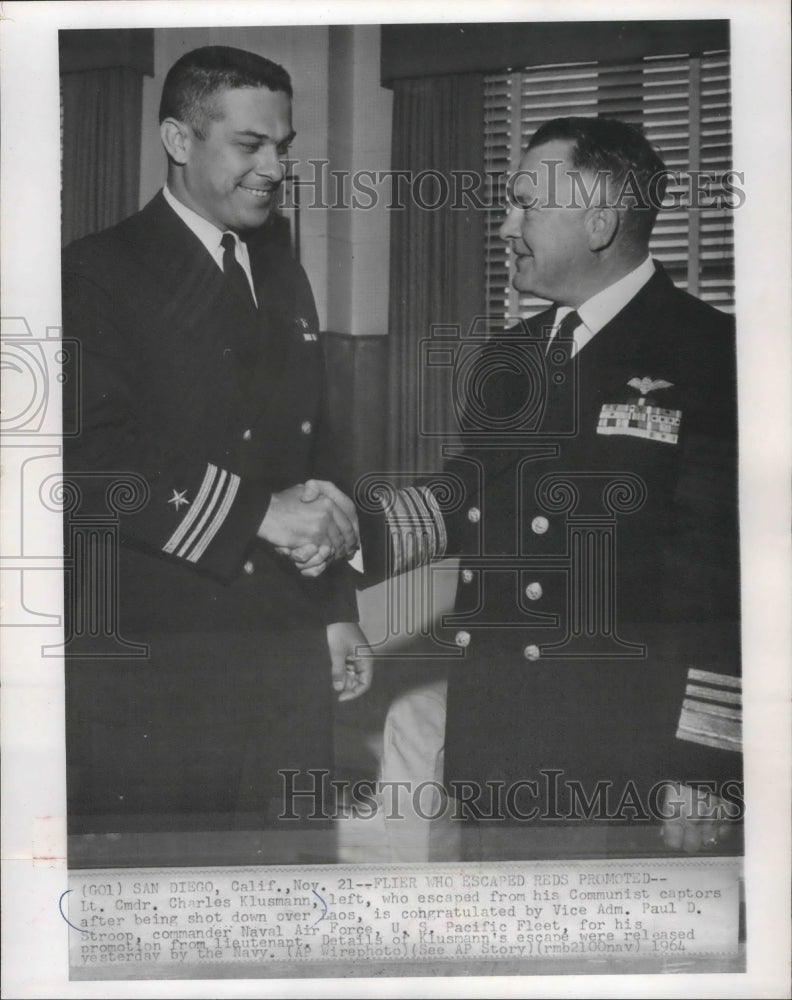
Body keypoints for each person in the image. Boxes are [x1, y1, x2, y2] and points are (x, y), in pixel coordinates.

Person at [312, 116, 742, 854]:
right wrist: (349, 524)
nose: (506, 224)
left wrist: (706, 759)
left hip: (629, 760)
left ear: (600, 221)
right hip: (501, 742)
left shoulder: (714, 356)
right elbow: (473, 499)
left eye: (525, 206)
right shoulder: (512, 353)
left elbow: (727, 574)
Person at [62, 45, 372, 835]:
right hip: (160, 658)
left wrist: (335, 608)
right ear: (177, 140)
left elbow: (317, 448)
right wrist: (257, 516)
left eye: (284, 146)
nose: (274, 167)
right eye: (249, 144)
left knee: (287, 883)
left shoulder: (280, 265)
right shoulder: (98, 274)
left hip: (284, 650)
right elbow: (88, 463)